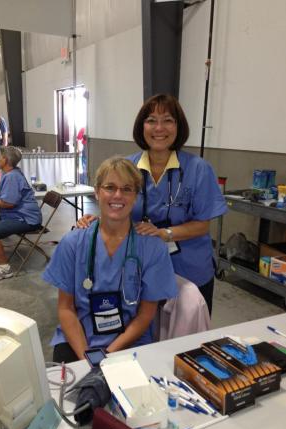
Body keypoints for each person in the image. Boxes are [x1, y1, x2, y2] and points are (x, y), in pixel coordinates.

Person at [77, 94, 227, 315]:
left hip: (190, 270)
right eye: (151, 120)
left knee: (188, 338)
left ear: (178, 126)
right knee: (145, 335)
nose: (159, 128)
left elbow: (202, 225)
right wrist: (97, 220)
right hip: (139, 267)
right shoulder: (127, 167)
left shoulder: (198, 169)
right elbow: (117, 208)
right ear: (142, 126)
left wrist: (164, 233)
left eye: (167, 120)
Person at [42, 156, 177, 363]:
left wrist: (107, 356)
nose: (117, 195)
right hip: (78, 340)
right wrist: (88, 358)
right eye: (109, 187)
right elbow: (65, 308)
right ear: (96, 192)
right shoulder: (73, 243)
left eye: (127, 189)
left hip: (130, 342)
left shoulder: (153, 248)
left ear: (136, 196)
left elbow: (145, 315)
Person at [0, 146, 42, 282]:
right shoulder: (11, 172)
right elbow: (6, 192)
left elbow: (9, 203)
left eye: (0, 156)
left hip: (26, 219)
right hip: (15, 215)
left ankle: (4, 268)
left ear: (5, 160)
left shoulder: (12, 176)